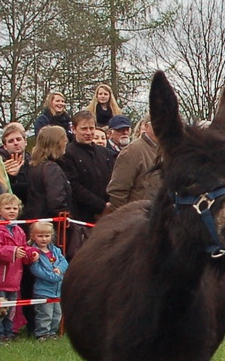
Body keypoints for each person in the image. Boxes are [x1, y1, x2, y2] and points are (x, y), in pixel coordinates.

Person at [59, 110, 113, 257]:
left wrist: (110, 204)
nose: (88, 132)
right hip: (82, 218)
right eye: (84, 129)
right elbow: (75, 187)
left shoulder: (105, 153)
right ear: (74, 129)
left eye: (91, 128)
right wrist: (101, 206)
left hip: (108, 216)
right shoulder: (68, 154)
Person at [0, 193, 31, 340]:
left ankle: (9, 331)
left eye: (15, 208)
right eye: (7, 208)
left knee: (11, 309)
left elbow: (24, 247)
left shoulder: (19, 230)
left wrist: (31, 254)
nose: (12, 211)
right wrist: (13, 251)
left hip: (14, 278)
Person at [16, 125, 71, 222]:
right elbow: (56, 200)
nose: (66, 143)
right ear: (57, 144)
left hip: (35, 218)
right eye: (64, 141)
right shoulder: (51, 168)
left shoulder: (35, 165)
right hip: (49, 223)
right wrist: (66, 217)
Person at [106, 115, 161, 210]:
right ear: (146, 126)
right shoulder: (133, 150)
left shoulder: (167, 151)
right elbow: (118, 191)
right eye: (157, 124)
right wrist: (124, 218)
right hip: (138, 217)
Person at [24, 221, 66, 339]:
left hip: (57, 290)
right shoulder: (33, 252)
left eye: (47, 236)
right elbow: (35, 269)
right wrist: (54, 277)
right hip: (43, 291)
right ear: (33, 236)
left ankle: (52, 333)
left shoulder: (55, 250)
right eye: (40, 236)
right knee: (45, 314)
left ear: (51, 236)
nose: (44, 239)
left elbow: (64, 261)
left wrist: (60, 269)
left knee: (57, 314)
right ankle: (42, 334)